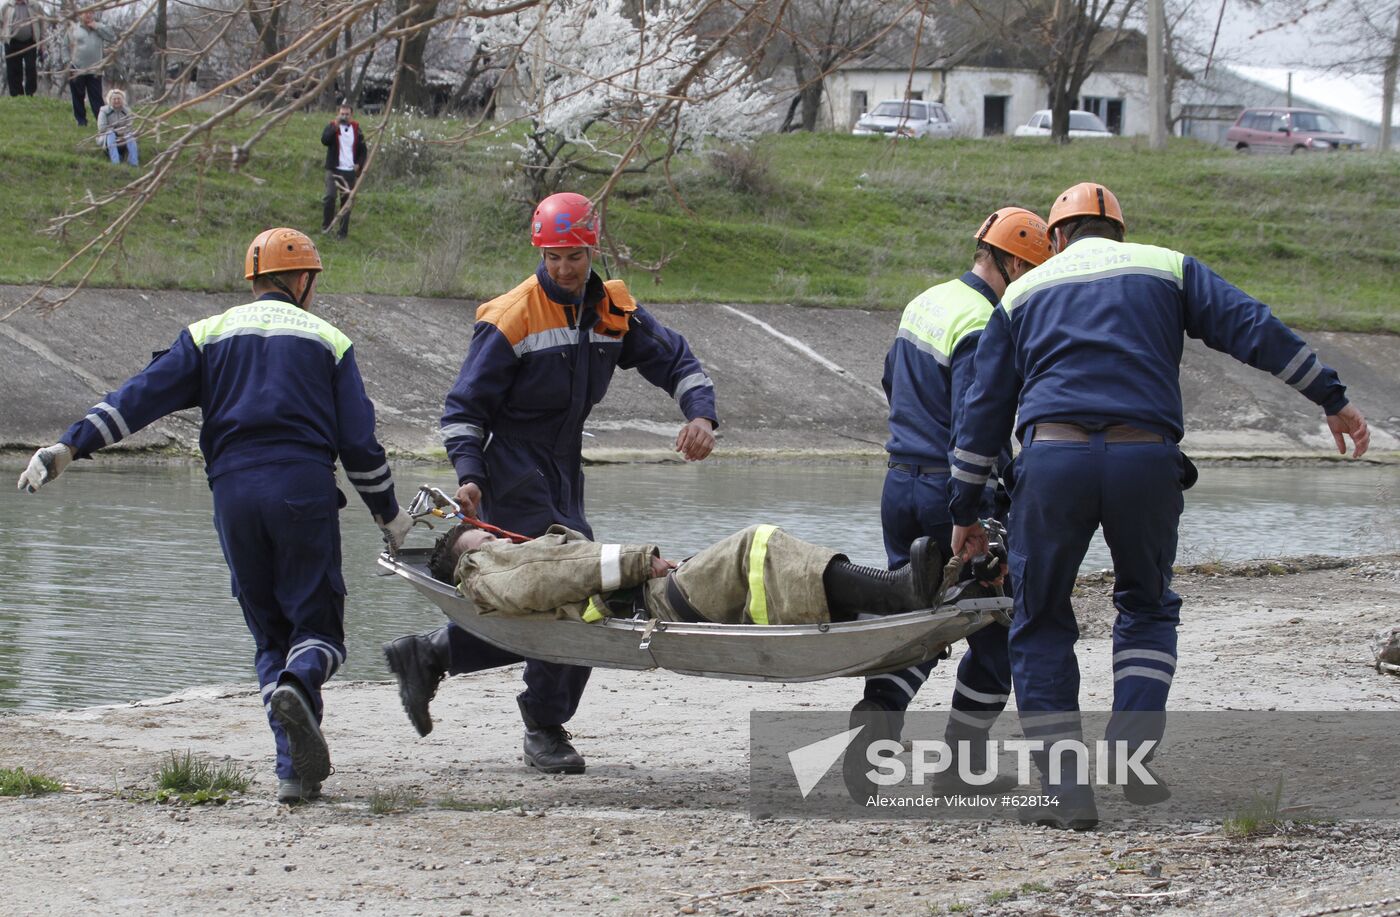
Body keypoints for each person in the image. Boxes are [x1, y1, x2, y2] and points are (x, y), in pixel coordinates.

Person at [948, 182, 1370, 829]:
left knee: (1040, 622)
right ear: (1119, 232)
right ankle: (1129, 747)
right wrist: (1331, 397)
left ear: (1056, 239)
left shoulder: (1026, 292)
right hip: (1145, 458)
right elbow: (1254, 328)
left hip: (1053, 460)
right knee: (1146, 605)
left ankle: (1067, 792)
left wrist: (966, 509)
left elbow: (984, 410)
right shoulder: (1167, 267)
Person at [17, 227, 413, 805]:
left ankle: (293, 772)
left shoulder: (209, 333)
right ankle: (300, 689)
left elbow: (139, 397)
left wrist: (68, 447)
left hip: (232, 492)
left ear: (254, 281)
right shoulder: (329, 339)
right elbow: (359, 443)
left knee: (269, 632)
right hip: (301, 487)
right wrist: (389, 515)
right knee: (319, 631)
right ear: (303, 281)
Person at [382, 191, 718, 775]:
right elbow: (463, 411)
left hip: (564, 468)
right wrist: (469, 477)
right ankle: (541, 723)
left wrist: (700, 416)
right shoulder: (512, 316)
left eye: (576, 256)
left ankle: (435, 653)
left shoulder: (615, 311)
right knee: (577, 590)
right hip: (512, 471)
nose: (565, 268)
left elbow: (677, 361)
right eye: (555, 255)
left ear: (592, 251)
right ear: (540, 250)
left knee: (553, 597)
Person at [845, 207, 1053, 800]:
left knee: (917, 621)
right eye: (1033, 272)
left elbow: (891, 379)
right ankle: (962, 764)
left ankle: (875, 728)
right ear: (1012, 262)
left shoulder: (927, 302)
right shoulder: (986, 321)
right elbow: (976, 423)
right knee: (997, 628)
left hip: (899, 487)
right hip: (951, 494)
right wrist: (990, 504)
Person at [427, 523, 946, 626]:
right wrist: (636, 561)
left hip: (653, 592)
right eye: (482, 541)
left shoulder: (491, 565)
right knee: (756, 546)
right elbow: (546, 577)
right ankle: (898, 591)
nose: (497, 542)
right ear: (466, 559)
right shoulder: (480, 570)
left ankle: (900, 590)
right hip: (651, 602)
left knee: (770, 558)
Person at [320, 102, 365, 238]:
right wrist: (335, 126)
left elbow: (363, 150)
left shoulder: (357, 129)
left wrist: (359, 164)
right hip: (333, 168)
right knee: (330, 197)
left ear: (352, 115)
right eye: (342, 114)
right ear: (338, 114)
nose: (344, 116)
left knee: (347, 202)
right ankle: (326, 227)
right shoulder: (332, 126)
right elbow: (325, 140)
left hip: (349, 171)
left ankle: (342, 233)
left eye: (347, 114)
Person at [66, 9, 114, 126]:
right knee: (78, 96)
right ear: (81, 14)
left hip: (95, 69)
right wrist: (67, 62)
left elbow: (111, 36)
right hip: (77, 68)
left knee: (96, 97)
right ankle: (81, 121)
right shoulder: (74, 29)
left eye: (91, 12)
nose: (88, 15)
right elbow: (65, 46)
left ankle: (101, 122)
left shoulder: (100, 27)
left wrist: (96, 27)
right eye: (86, 12)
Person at [1, 0, 46, 97]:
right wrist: (3, 35)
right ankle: (16, 95)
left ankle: (30, 93)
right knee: (13, 70)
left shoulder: (35, 6)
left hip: (30, 41)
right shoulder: (7, 6)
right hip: (11, 42)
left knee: (31, 68)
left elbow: (42, 24)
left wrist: (42, 42)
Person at [96, 88, 137, 166]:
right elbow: (102, 128)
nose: (117, 101)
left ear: (123, 100)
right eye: (114, 99)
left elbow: (130, 126)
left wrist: (123, 132)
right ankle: (116, 162)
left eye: (119, 99)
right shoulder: (104, 111)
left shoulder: (127, 111)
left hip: (123, 136)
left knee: (130, 135)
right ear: (110, 100)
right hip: (106, 138)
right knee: (110, 133)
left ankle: (134, 162)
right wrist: (116, 131)